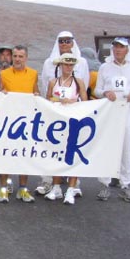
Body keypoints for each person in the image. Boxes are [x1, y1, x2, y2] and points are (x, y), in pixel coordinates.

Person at [36, 31, 90, 196]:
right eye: (61, 41)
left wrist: (74, 102)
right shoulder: (48, 63)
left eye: (68, 41)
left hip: (74, 113)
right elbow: (45, 86)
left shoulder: (82, 62)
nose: (64, 44)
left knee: (73, 145)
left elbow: (84, 87)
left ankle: (74, 184)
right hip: (55, 112)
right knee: (52, 146)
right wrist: (56, 101)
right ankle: (48, 181)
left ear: (73, 43)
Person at [94, 37, 130, 203]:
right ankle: (104, 184)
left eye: (121, 47)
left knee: (127, 147)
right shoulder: (105, 67)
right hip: (110, 112)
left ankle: (125, 184)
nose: (118, 50)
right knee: (108, 146)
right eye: (115, 47)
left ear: (127, 50)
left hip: (127, 111)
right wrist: (106, 93)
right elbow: (97, 90)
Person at [45, 53, 88, 205]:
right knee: (57, 154)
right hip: (57, 123)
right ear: (60, 65)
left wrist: (73, 102)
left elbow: (85, 102)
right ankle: (56, 187)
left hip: (73, 122)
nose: (68, 67)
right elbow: (47, 98)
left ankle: (71, 188)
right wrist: (59, 100)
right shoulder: (53, 82)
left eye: (71, 65)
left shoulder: (79, 82)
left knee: (72, 154)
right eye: (66, 64)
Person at [0, 45, 39, 203]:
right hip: (8, 121)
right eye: (15, 56)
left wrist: (37, 95)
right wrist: (1, 94)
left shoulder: (33, 74)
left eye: (20, 56)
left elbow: (36, 92)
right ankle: (3, 189)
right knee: (5, 155)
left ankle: (22, 189)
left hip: (27, 121)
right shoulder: (3, 74)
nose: (17, 59)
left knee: (25, 155)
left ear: (26, 58)